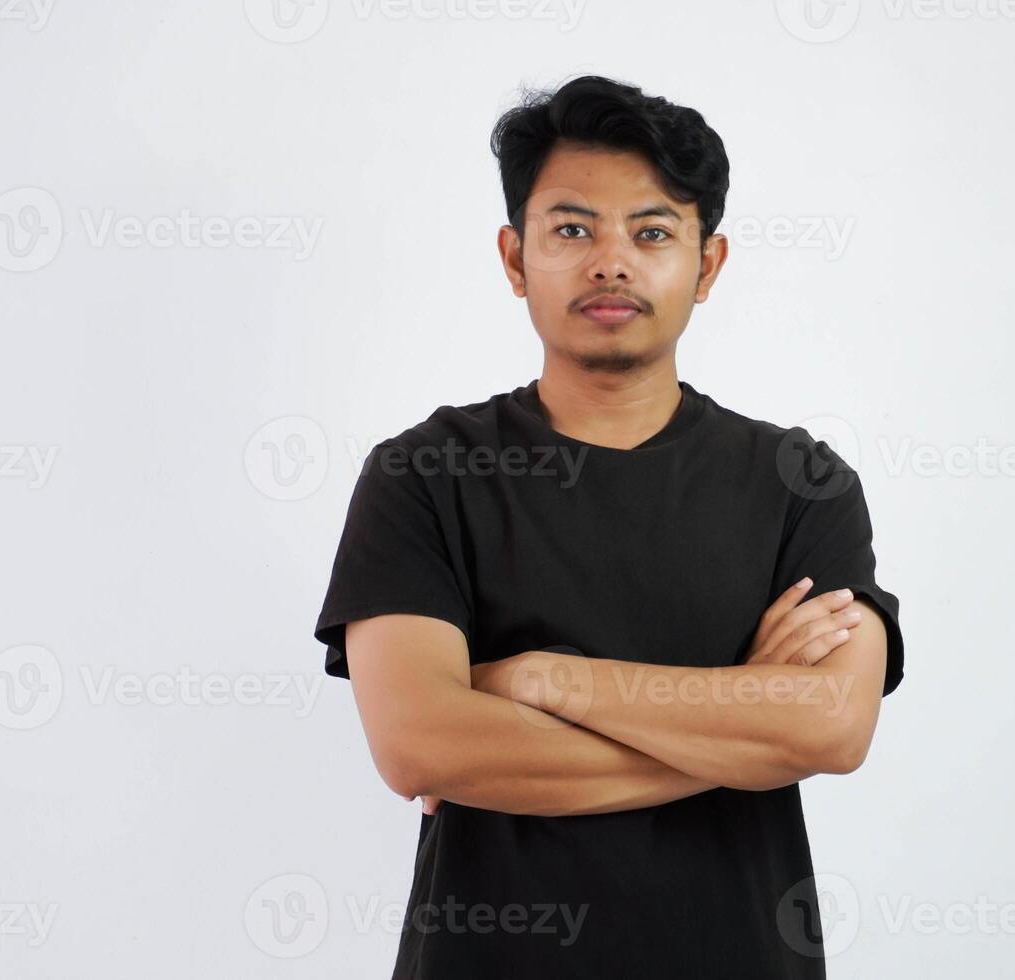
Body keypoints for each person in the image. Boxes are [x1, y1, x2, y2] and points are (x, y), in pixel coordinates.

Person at [313, 74, 905, 979]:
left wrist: (542, 679)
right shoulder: (423, 473)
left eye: (654, 231)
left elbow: (829, 727)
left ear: (707, 266)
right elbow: (421, 744)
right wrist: (741, 719)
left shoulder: (801, 482)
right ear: (516, 258)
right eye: (572, 229)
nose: (611, 261)